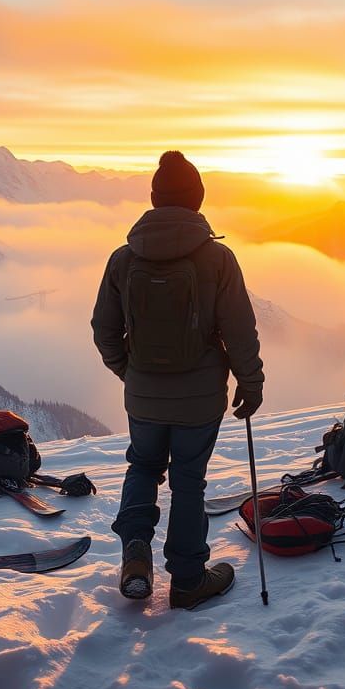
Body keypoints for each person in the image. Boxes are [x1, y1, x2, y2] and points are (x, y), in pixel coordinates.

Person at [91, 150, 264, 610]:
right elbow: (240, 330)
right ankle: (188, 579)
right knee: (189, 480)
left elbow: (104, 330)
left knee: (143, 467)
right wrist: (251, 383)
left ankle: (134, 558)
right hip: (200, 398)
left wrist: (130, 373)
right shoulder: (218, 259)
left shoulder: (123, 259)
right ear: (198, 200)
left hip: (143, 396)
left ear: (153, 199)